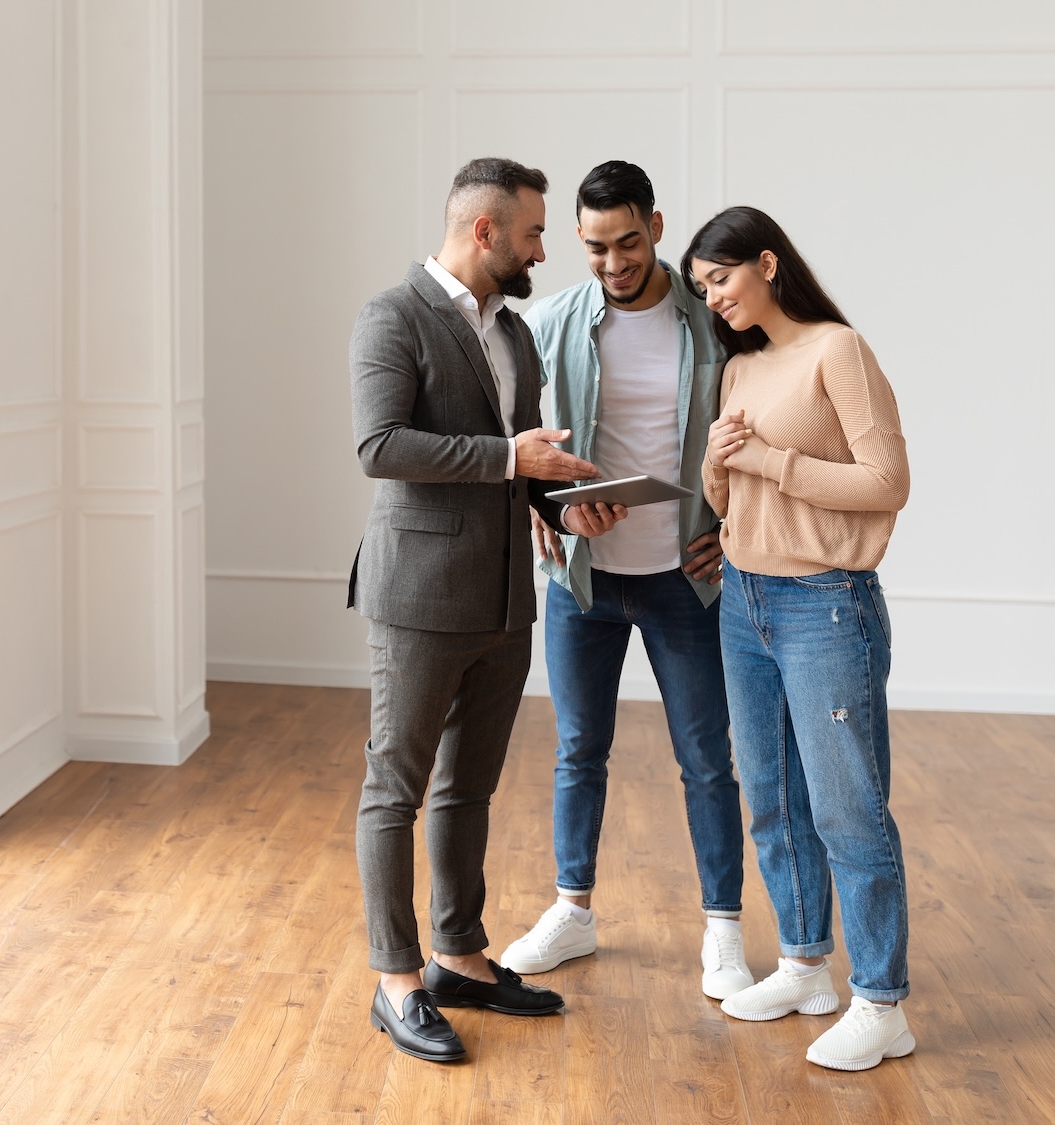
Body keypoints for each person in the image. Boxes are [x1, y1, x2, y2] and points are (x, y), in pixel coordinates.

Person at [348, 157, 597, 1063]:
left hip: (503, 598)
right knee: (396, 787)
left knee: (470, 786)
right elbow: (380, 445)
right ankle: (398, 979)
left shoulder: (516, 334)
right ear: (484, 230)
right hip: (417, 597)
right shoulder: (392, 315)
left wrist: (567, 502)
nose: (542, 247)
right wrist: (508, 461)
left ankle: (457, 953)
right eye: (533, 231)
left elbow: (521, 464)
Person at [503, 160, 753, 1003]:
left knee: (707, 761)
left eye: (628, 243)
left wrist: (732, 528)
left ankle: (723, 928)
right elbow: (515, 443)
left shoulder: (709, 322)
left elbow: (756, 429)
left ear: (655, 223)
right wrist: (548, 505)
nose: (612, 264)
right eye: (594, 248)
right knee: (579, 751)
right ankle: (573, 909)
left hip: (685, 579)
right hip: (585, 580)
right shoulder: (551, 324)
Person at [685, 205, 915, 1071]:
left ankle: (883, 1002)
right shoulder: (739, 367)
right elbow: (723, 498)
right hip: (744, 597)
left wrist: (769, 462)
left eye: (723, 278)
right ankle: (805, 962)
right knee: (773, 798)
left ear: (768, 263)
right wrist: (718, 460)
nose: (715, 299)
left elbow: (887, 482)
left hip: (825, 602)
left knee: (847, 807)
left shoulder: (836, 350)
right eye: (703, 288)